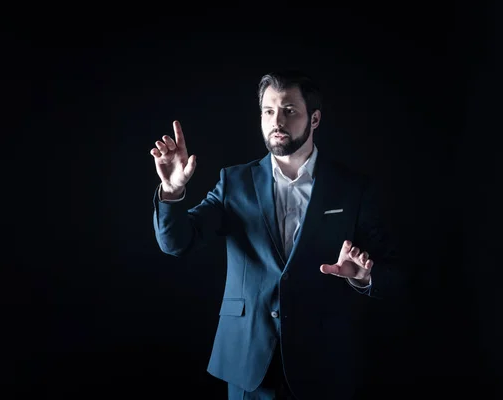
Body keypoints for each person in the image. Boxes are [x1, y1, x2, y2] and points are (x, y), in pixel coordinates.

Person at [150, 71, 403, 400]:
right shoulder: (234, 183)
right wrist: (170, 192)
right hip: (248, 361)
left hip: (324, 362)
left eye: (289, 110)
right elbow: (176, 243)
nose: (277, 120)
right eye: (268, 111)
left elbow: (394, 272)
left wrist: (363, 278)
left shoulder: (351, 188)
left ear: (314, 119)